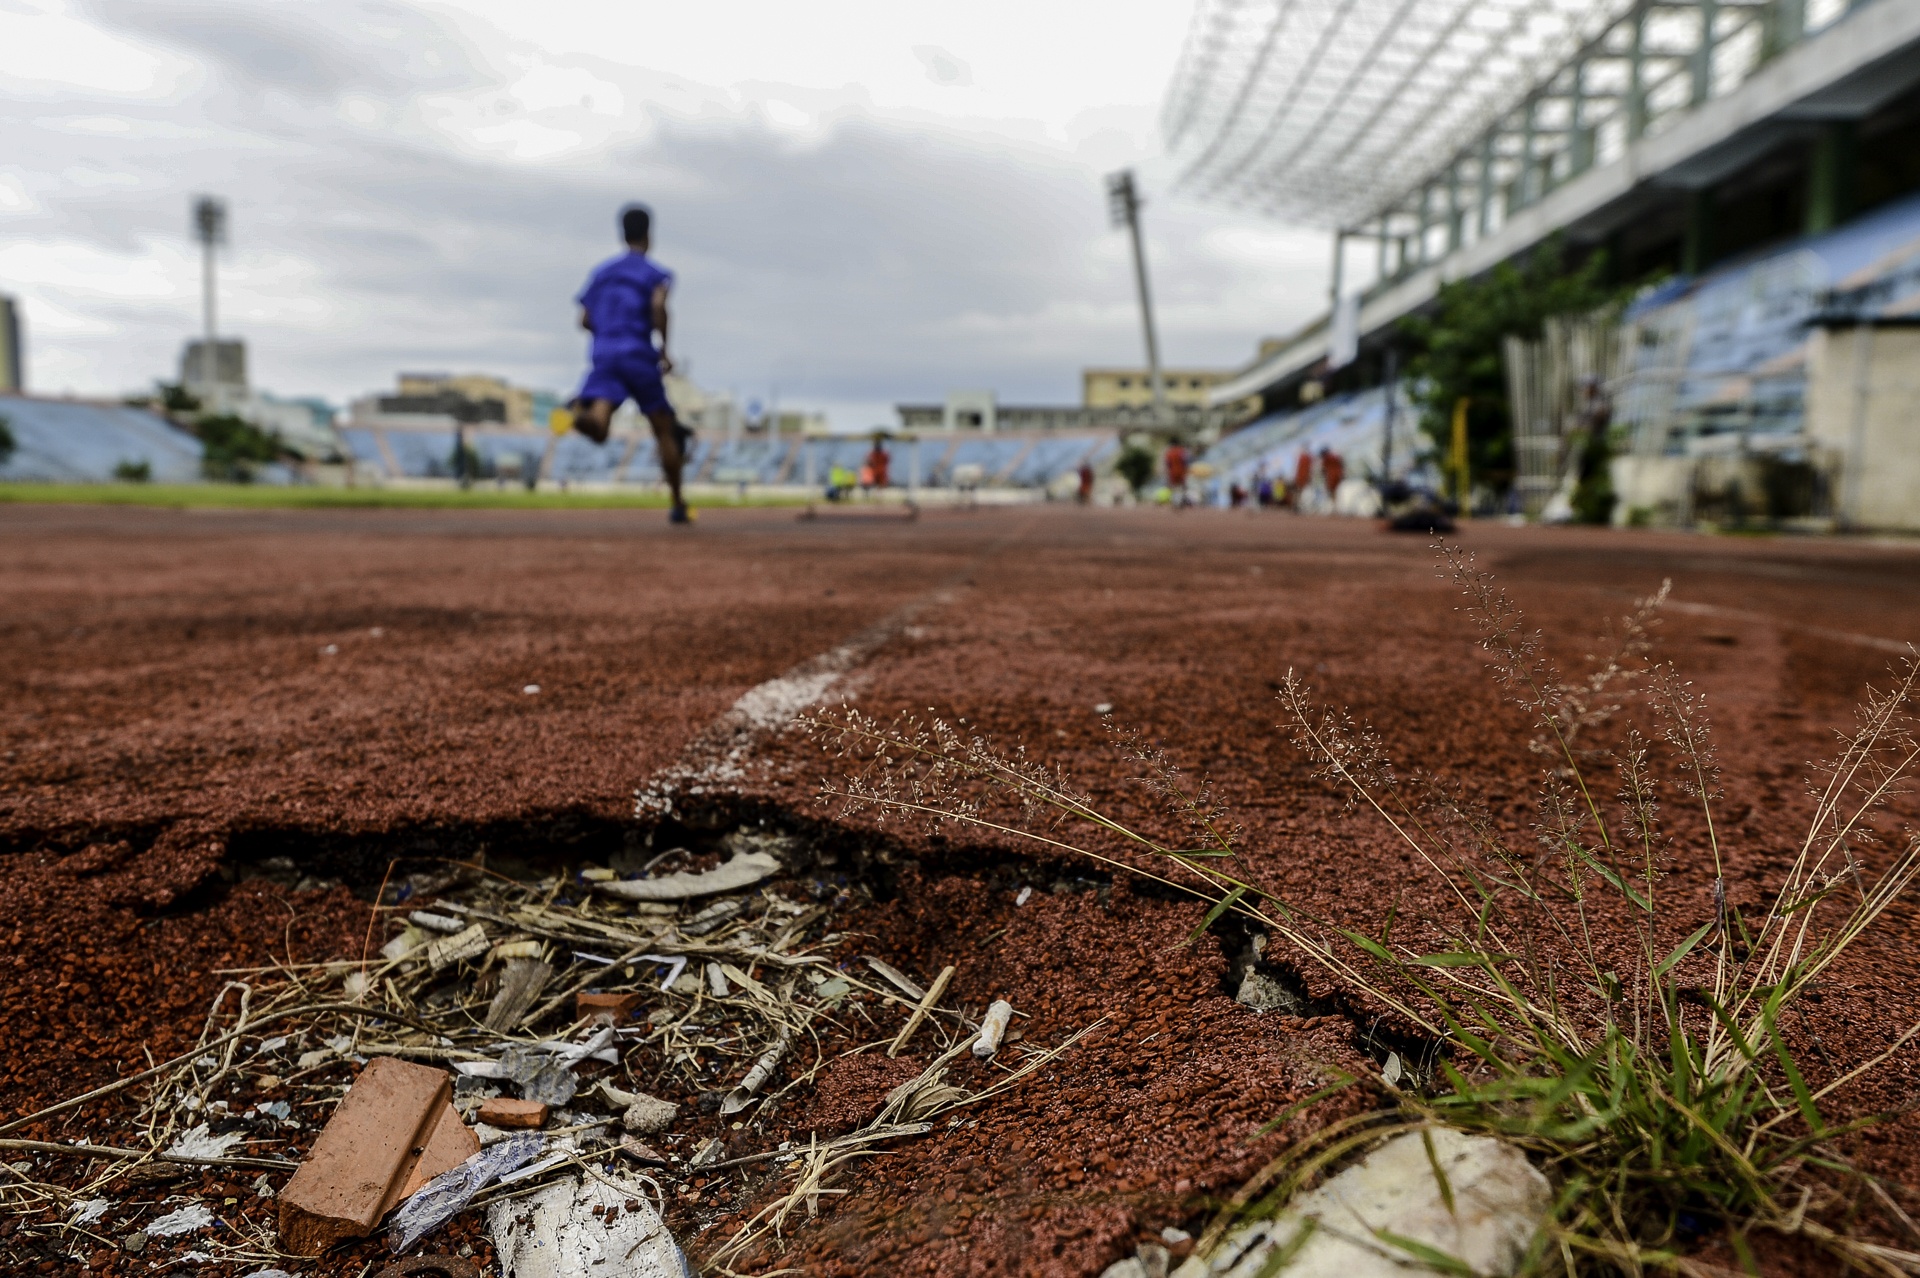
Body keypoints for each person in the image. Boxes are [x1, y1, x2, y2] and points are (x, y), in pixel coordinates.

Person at [570, 204, 694, 524]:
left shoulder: (601, 273)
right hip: (637, 352)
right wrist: (664, 349)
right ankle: (678, 503)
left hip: (604, 352)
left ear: (621, 233)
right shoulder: (655, 274)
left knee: (601, 418)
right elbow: (658, 306)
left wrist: (609, 329)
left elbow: (584, 319)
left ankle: (592, 417)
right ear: (648, 235)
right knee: (663, 429)